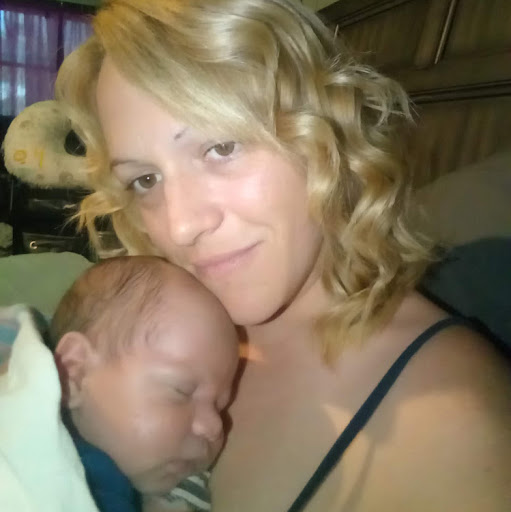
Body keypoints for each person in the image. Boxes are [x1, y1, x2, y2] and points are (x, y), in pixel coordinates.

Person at [55, 1, 511, 510]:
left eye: (221, 147)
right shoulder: (145, 326)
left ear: (324, 132)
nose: (180, 225)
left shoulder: (454, 431)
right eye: (145, 179)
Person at [1, 256, 239, 512]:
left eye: (220, 406)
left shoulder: (182, 491)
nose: (214, 427)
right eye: (181, 391)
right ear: (74, 371)